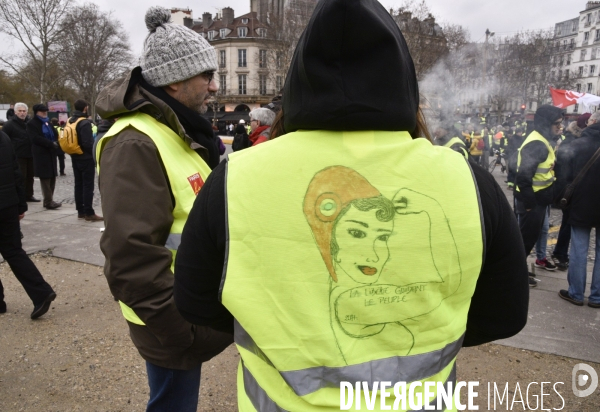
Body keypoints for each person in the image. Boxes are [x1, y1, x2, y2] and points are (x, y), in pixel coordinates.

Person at [173, 0, 529, 409]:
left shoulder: (235, 177)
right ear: (404, 83)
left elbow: (195, 300)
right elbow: (505, 314)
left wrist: (279, 330)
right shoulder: (470, 181)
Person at [95, 7, 232, 411]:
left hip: (185, 309)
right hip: (170, 319)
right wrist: (180, 331)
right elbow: (129, 258)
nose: (213, 87)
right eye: (206, 76)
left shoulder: (177, 131)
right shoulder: (137, 141)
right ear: (174, 82)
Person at [0, 130, 57, 318]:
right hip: (7, 202)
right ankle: (40, 292)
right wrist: (20, 204)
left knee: (14, 251)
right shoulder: (4, 137)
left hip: (7, 200)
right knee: (14, 251)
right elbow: (16, 172)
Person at [514, 105, 564, 286]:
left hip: (536, 201)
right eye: (556, 124)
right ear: (546, 124)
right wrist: (530, 205)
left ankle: (517, 270)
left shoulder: (542, 140)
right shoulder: (537, 143)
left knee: (526, 239)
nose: (559, 127)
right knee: (525, 241)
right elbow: (523, 177)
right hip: (532, 202)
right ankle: (515, 274)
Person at [557, 111, 600, 308]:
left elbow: (564, 176)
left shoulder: (578, 145)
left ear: (593, 122)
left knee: (579, 249)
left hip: (582, 203)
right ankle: (597, 296)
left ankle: (575, 292)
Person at [552, 118, 587, 271]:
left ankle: (561, 253)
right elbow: (563, 167)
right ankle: (560, 254)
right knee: (568, 224)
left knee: (568, 223)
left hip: (573, 188)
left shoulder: (576, 140)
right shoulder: (574, 142)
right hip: (570, 188)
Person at [66, 100, 102, 221]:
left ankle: (80, 211)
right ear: (85, 108)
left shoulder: (71, 120)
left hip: (74, 155)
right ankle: (89, 212)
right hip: (85, 157)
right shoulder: (84, 123)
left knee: (78, 184)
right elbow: (87, 143)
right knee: (88, 185)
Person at [2, 103, 40, 202]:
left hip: (30, 154)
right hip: (18, 155)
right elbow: (5, 139)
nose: (22, 113)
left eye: (24, 111)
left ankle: (29, 194)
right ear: (15, 112)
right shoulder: (9, 124)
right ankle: (20, 196)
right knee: (21, 176)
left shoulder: (29, 123)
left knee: (30, 176)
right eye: (20, 111)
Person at [27, 104, 61, 210]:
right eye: (42, 111)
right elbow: (35, 138)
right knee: (45, 177)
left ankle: (50, 199)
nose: (44, 113)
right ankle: (48, 201)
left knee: (52, 176)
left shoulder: (47, 122)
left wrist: (56, 142)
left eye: (45, 111)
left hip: (51, 153)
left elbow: (55, 133)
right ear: (37, 112)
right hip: (41, 153)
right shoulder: (32, 123)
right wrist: (50, 144)